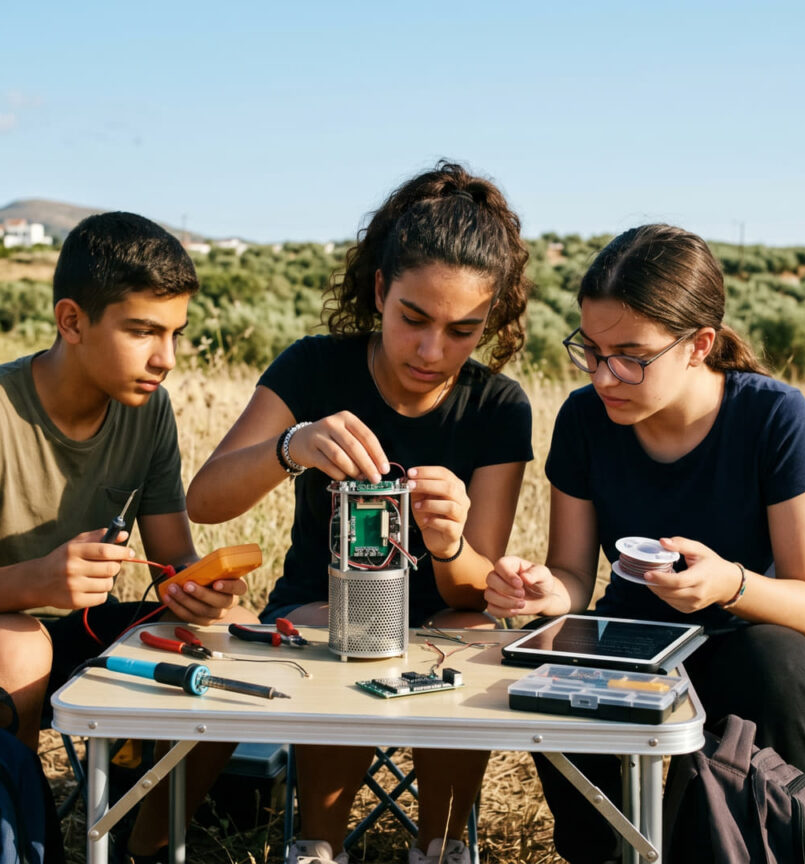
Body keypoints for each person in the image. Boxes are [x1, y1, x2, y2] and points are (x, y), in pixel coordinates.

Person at [186, 162, 534, 864]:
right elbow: (206, 499)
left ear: (490, 321)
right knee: (335, 622)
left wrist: (449, 542)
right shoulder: (315, 368)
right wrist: (291, 446)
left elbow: (477, 589)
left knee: (474, 633)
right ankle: (318, 845)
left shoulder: (498, 405)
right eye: (414, 318)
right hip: (319, 606)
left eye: (464, 330)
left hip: (445, 619)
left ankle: (442, 849)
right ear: (379, 290)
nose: (433, 351)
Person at [0, 211, 255, 861]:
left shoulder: (149, 411)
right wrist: (38, 579)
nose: (165, 359)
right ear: (73, 322)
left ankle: (144, 848)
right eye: (142, 332)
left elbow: (172, 560)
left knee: (231, 639)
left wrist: (203, 593)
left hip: (68, 637)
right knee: (19, 646)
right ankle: (27, 850)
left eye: (174, 335)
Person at [485, 224, 805, 864]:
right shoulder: (582, 419)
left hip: (761, 647)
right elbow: (573, 575)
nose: (604, 376)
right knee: (550, 670)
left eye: (630, 355)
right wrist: (545, 591)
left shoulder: (774, 418)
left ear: (698, 345)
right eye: (591, 351)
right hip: (636, 643)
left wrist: (728, 584)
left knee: (768, 666)